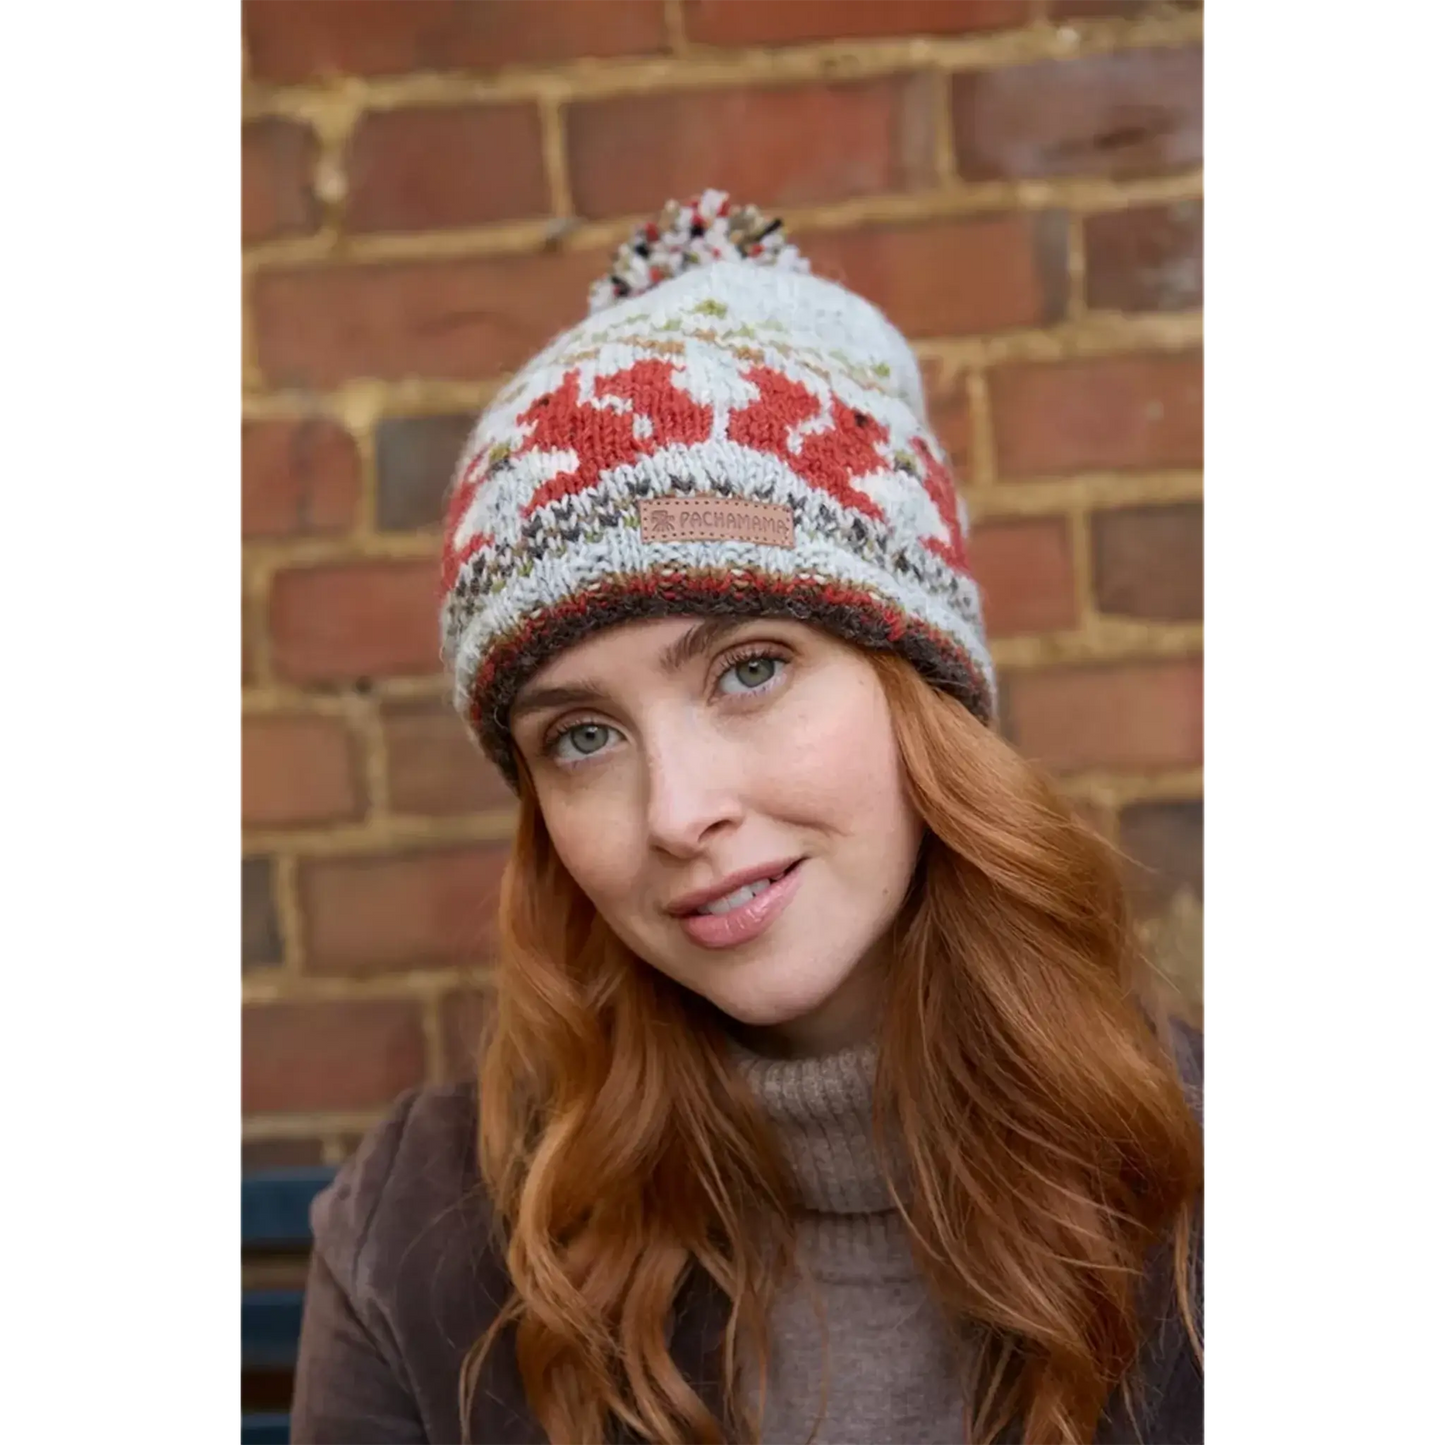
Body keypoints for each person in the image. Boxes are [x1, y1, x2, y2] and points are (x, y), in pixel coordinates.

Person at [292, 190, 1206, 1445]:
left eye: (750, 667)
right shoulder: (426, 1235)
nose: (677, 812)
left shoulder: (1182, 1172)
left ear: (919, 691)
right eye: (582, 735)